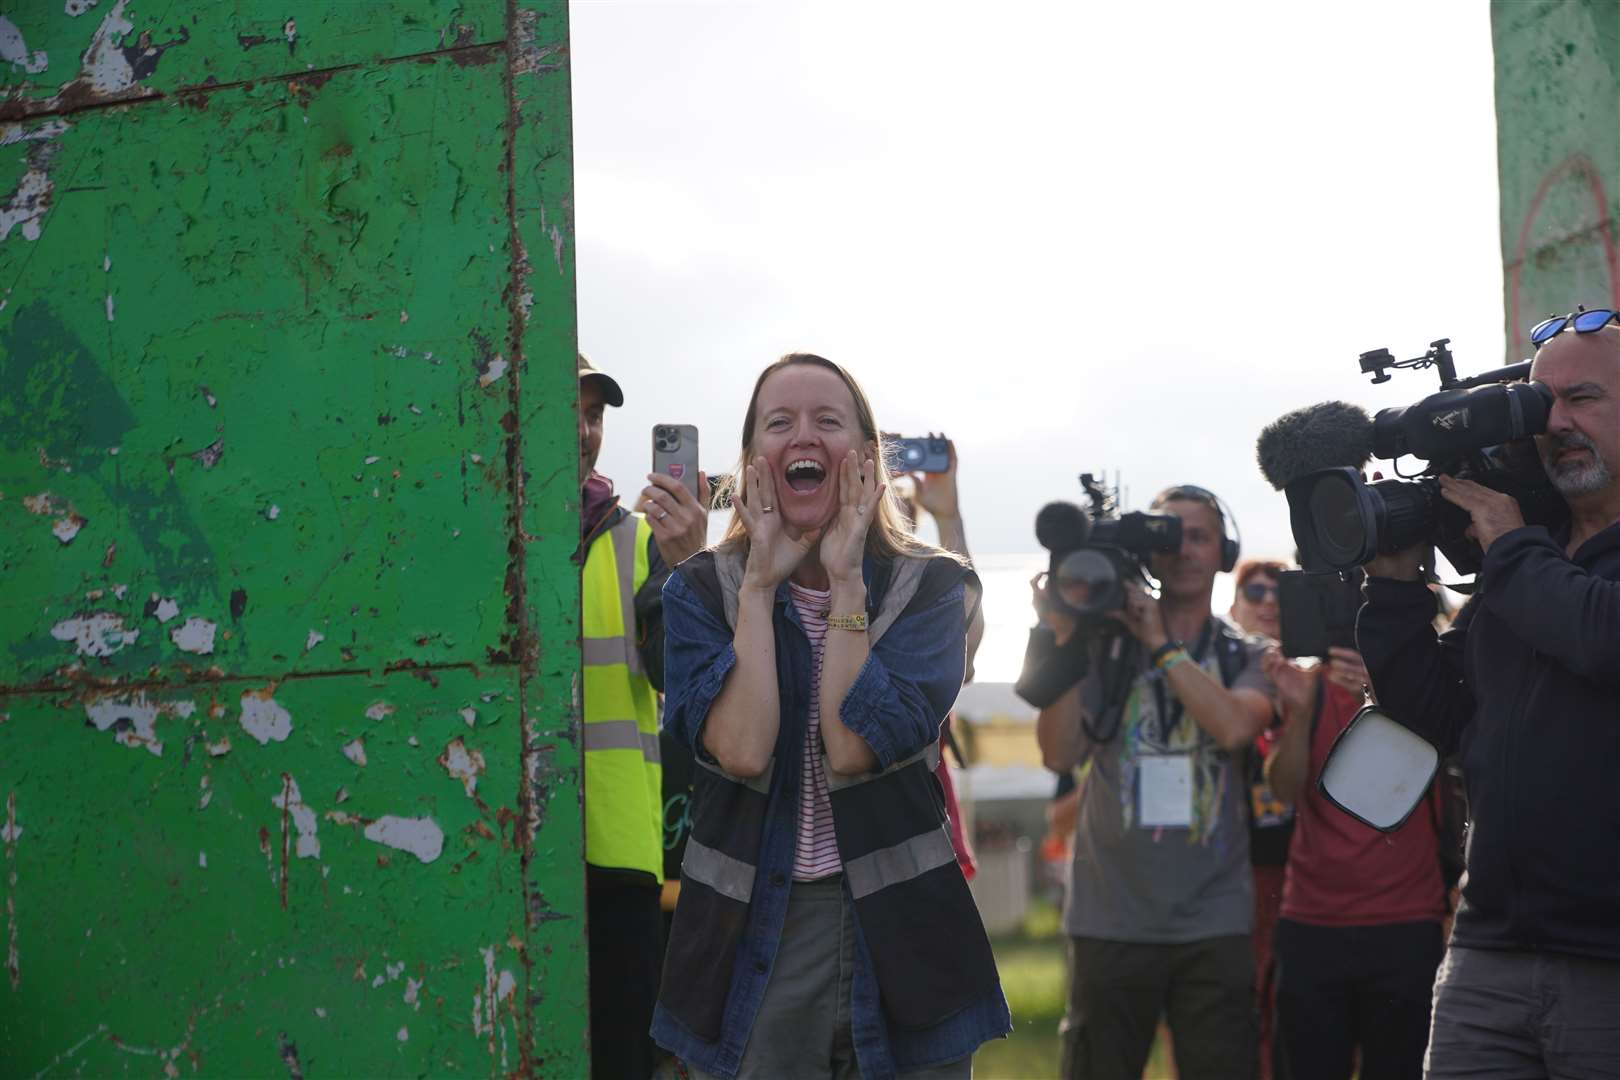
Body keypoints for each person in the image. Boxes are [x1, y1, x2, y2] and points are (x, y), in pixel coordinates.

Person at [653, 353, 1010, 1079]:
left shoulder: (934, 586)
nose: (803, 435)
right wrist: (757, 588)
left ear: (867, 459)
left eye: (828, 420)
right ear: (752, 461)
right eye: (779, 423)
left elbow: (854, 746)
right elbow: (743, 749)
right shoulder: (698, 591)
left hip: (904, 928)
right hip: (757, 932)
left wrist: (846, 579)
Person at [1356, 310, 1620, 1079]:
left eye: (1584, 399)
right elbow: (1435, 715)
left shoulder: (1519, 555)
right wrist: (1396, 586)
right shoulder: (1527, 556)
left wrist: (1507, 547)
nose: (1556, 422)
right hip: (1488, 951)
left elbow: (1601, 636)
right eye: (1541, 403)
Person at [1035, 485, 1276, 1080]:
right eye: (1169, 534)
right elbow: (1059, 751)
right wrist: (1063, 641)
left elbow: (1232, 728)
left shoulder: (1246, 652)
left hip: (1213, 921)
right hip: (1110, 918)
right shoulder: (1103, 645)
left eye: (1200, 536)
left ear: (1226, 550)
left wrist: (1159, 645)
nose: (1184, 549)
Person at [576, 354, 710, 1080]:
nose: (585, 430)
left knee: (621, 1062)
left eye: (594, 416)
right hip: (509, 840)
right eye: (569, 410)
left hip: (620, 854)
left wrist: (690, 565)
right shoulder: (482, 538)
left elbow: (678, 677)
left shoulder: (636, 542)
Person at [1259, 643, 1445, 1080]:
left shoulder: (1428, 672)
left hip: (1406, 921)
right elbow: (1284, 790)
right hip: (1313, 923)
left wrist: (1390, 689)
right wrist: (1300, 711)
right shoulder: (1307, 683)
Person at [1225, 557, 1291, 1080]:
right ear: (1233, 607)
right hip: (1231, 878)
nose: (1269, 600)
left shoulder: (1325, 683)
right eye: (1255, 590)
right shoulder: (1211, 681)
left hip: (1305, 880)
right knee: (1228, 1020)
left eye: (1281, 590)